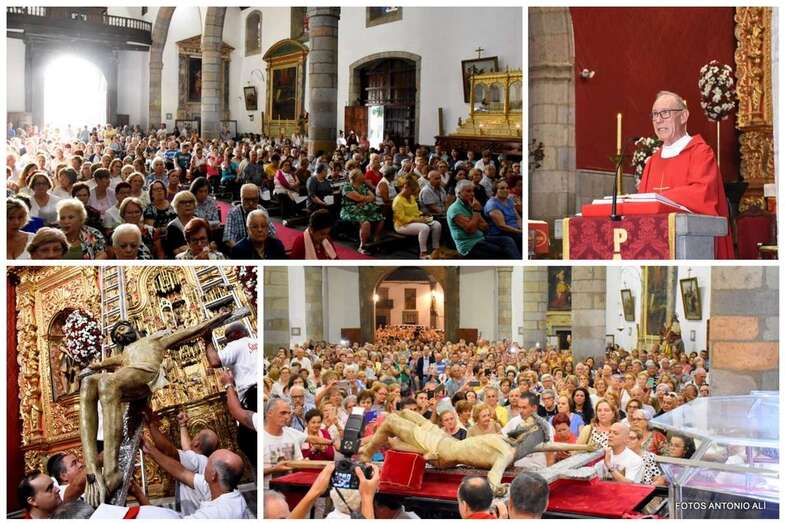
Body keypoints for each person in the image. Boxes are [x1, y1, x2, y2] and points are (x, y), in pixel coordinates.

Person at [639, 90, 733, 258]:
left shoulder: (700, 153)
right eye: (654, 114)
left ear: (683, 116)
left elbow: (702, 195)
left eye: (665, 113)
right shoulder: (652, 161)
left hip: (693, 245)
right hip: (654, 248)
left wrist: (658, 198)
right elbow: (642, 207)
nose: (658, 119)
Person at [142, 440, 253, 518]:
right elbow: (182, 473)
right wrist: (151, 450)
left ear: (213, 475)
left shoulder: (217, 513)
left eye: (209, 462)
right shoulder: (218, 488)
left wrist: (141, 499)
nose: (206, 464)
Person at [143, 408, 218, 515]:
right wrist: (183, 425)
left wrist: (150, 424)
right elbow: (187, 449)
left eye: (196, 435)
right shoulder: (203, 461)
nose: (193, 437)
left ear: (196, 443)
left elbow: (169, 450)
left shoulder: (196, 460)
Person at [448, 180, 519, 259]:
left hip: (480, 238)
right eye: (468, 191)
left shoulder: (470, 205)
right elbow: (471, 229)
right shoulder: (455, 209)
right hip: (469, 245)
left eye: (473, 191)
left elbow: (485, 227)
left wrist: (473, 220)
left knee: (507, 240)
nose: (472, 194)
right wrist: (476, 212)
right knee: (500, 252)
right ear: (459, 193)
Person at [392, 175, 442, 259]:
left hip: (416, 221)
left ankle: (436, 249)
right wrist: (418, 220)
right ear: (405, 187)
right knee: (424, 228)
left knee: (436, 224)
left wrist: (423, 216)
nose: (413, 193)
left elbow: (416, 211)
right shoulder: (397, 201)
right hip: (402, 225)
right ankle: (423, 253)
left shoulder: (411, 197)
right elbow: (402, 218)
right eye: (412, 190)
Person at [263, 398, 305, 488]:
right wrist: (274, 469)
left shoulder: (291, 435)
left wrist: (304, 463)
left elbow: (298, 462)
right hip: (267, 491)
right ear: (270, 413)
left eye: (289, 413)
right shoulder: (260, 437)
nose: (287, 417)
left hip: (290, 489)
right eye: (283, 413)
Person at [340, 168, 384, 254]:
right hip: (350, 210)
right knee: (366, 223)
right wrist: (365, 199)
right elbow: (358, 198)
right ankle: (362, 246)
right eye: (361, 174)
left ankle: (375, 239)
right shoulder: (347, 187)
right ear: (356, 177)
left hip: (364, 208)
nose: (364, 176)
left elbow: (373, 197)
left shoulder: (362, 185)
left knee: (381, 218)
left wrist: (363, 201)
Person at [224, 184, 276, 248]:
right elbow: (229, 239)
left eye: (254, 200)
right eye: (247, 200)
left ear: (258, 198)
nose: (251, 203)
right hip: (242, 249)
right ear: (241, 198)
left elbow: (272, 234)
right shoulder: (233, 213)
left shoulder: (262, 210)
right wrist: (239, 251)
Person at [484, 180, 523, 255]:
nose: (505, 190)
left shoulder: (509, 201)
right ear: (495, 190)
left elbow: (518, 217)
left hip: (514, 230)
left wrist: (521, 228)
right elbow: (502, 225)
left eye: (507, 188)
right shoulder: (492, 204)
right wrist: (520, 231)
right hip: (499, 233)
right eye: (502, 188)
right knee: (518, 238)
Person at [165, 191, 198, 257]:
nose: (188, 204)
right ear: (176, 206)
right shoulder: (172, 227)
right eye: (183, 202)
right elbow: (176, 252)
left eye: (190, 201)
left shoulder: (201, 222)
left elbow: (210, 245)